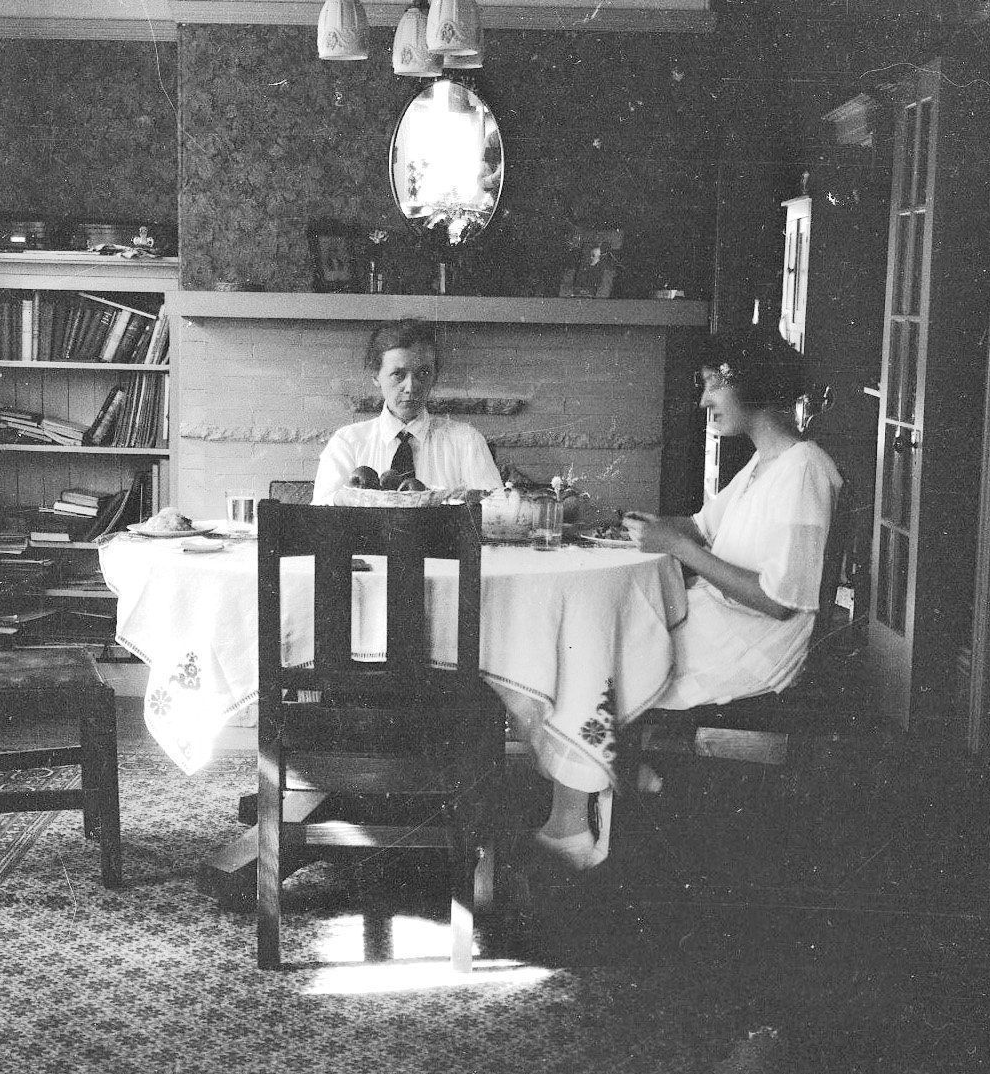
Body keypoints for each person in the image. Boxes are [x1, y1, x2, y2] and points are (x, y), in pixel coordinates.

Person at [532, 328, 842, 870]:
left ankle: (576, 826)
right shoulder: (765, 463)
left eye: (711, 386)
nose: (703, 402)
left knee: (590, 665)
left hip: (754, 646)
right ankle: (617, 784)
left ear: (749, 384)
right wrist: (633, 526)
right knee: (584, 646)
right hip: (718, 623)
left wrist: (677, 547)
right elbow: (699, 527)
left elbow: (778, 601)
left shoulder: (804, 470)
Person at [312, 317, 503, 502]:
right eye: (398, 374)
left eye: (423, 373)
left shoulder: (466, 441)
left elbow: (496, 509)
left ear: (435, 377)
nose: (411, 387)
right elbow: (321, 514)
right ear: (376, 377)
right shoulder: (347, 443)